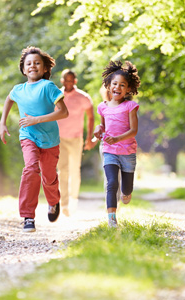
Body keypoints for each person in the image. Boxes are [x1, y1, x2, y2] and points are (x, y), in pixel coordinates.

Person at [0, 46, 69, 233]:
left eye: (37, 63)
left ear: (45, 68)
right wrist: (2, 123)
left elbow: (63, 112)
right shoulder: (18, 89)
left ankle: (53, 201)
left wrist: (36, 119)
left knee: (48, 176)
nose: (33, 66)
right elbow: (9, 99)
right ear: (23, 69)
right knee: (30, 168)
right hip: (28, 136)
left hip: (50, 140)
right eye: (28, 63)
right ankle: (28, 216)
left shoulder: (48, 87)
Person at [94, 60, 141, 228]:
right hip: (110, 151)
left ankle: (126, 193)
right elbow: (103, 127)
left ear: (128, 89)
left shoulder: (131, 106)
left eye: (122, 85)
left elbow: (134, 130)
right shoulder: (103, 107)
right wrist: (98, 130)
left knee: (126, 190)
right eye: (114, 84)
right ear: (108, 85)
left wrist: (118, 139)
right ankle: (112, 219)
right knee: (112, 183)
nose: (117, 88)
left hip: (127, 152)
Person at [56, 69, 95, 217]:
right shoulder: (56, 96)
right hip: (60, 139)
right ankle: (64, 203)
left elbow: (91, 117)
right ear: (62, 80)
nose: (69, 82)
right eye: (66, 80)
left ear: (75, 81)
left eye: (71, 80)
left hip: (76, 139)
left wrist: (89, 138)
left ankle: (73, 200)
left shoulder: (83, 97)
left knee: (75, 170)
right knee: (63, 171)